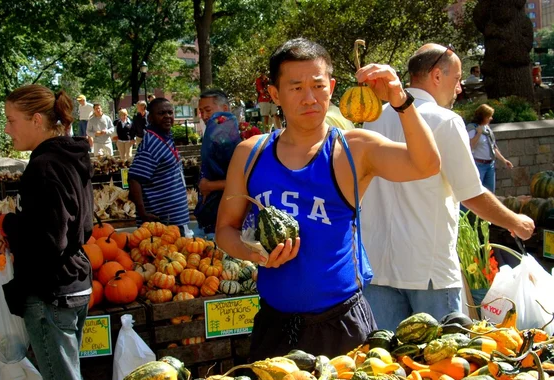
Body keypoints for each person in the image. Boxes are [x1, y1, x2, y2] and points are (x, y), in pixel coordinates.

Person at [216, 38, 441, 360]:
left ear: (332, 87)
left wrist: (401, 101)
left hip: (342, 325)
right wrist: (253, 252)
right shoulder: (250, 153)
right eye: (295, 88)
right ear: (275, 94)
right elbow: (225, 229)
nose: (309, 98)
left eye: (318, 86)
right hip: (274, 326)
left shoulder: (354, 149)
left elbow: (427, 165)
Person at [361, 44, 535, 331]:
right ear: (436, 76)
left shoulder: (373, 119)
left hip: (378, 268)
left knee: (386, 366)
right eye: (456, 80)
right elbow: (471, 194)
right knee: (443, 366)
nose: (459, 90)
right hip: (428, 270)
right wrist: (516, 221)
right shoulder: (445, 120)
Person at [0, 85, 92, 380]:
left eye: (11, 120)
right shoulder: (71, 158)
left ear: (36, 120)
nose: (7, 129)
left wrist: (10, 225)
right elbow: (84, 226)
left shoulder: (43, 167)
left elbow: (50, 241)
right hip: (75, 284)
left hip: (50, 294)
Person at [128, 98, 191, 232]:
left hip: (174, 221)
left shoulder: (165, 137)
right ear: (150, 118)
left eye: (170, 112)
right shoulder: (151, 143)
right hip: (161, 226)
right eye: (161, 113)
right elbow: (134, 179)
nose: (167, 116)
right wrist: (143, 213)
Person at [195, 89, 242, 235]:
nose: (204, 116)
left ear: (225, 109)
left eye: (208, 110)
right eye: (201, 111)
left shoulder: (229, 137)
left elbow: (246, 179)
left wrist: (210, 185)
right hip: (210, 216)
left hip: (224, 220)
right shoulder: (216, 132)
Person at [467, 104, 513, 193]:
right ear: (483, 116)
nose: (491, 118)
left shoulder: (487, 129)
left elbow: (493, 147)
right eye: (489, 116)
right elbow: (470, 145)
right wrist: (478, 134)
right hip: (478, 165)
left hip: (490, 165)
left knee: (490, 193)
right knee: (476, 192)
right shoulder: (472, 128)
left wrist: (504, 160)